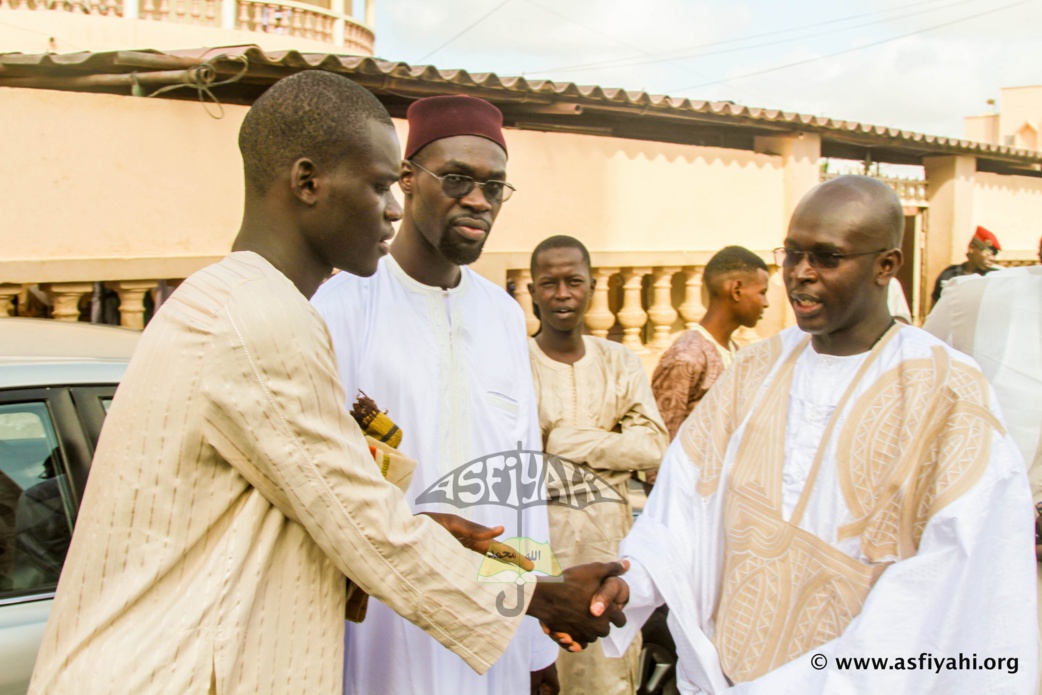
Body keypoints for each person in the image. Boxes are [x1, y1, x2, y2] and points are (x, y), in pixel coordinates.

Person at [29, 72, 627, 695]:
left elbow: (494, 482)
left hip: (455, 603)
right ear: (309, 182)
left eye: (494, 186)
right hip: (264, 653)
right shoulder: (273, 319)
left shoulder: (229, 298)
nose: (392, 208)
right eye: (378, 186)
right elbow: (365, 522)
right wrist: (535, 595)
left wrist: (522, 608)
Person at [601, 175, 1038, 693]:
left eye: (827, 257)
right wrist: (631, 583)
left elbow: (950, 581)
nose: (800, 275)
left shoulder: (948, 393)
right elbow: (681, 510)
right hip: (724, 677)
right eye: (791, 254)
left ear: (886, 266)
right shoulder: (753, 370)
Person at [314, 95, 572, 695]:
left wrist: (535, 648)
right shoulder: (343, 306)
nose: (478, 200)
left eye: (494, 186)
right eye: (456, 178)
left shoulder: (504, 316)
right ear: (407, 180)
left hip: (495, 620)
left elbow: (521, 477)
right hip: (385, 626)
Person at [527, 235, 669, 694]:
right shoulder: (514, 364)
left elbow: (651, 447)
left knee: (608, 680)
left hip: (608, 554)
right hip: (539, 557)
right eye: (549, 283)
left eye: (574, 282)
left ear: (591, 288)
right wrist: (611, 450)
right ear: (532, 292)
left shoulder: (619, 361)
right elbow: (519, 464)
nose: (562, 294)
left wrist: (565, 440)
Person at [652, 246, 769, 441]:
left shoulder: (735, 352)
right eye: (762, 292)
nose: (766, 303)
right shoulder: (686, 357)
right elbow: (661, 444)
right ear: (736, 290)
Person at [929, 225, 1001, 307]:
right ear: (972, 248)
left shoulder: (995, 278)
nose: (992, 258)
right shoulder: (950, 275)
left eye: (994, 254)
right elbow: (935, 308)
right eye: (987, 253)